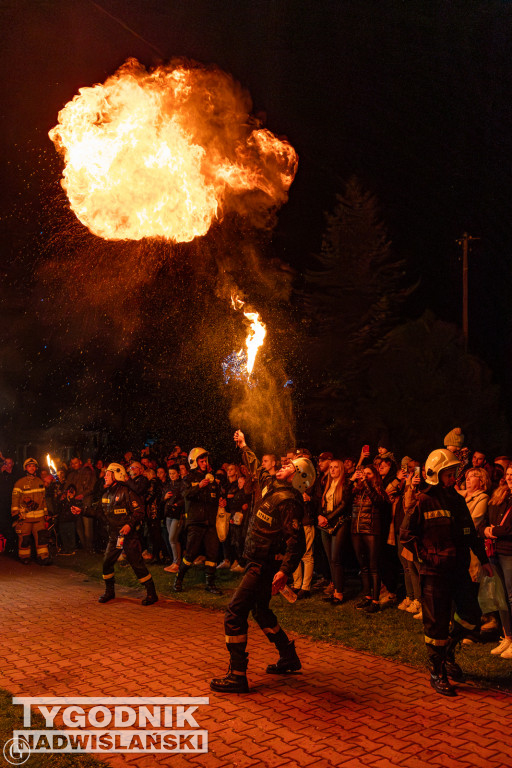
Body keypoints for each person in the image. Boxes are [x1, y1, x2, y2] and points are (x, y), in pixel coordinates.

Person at [210, 430, 315, 694]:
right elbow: (258, 467)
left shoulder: (289, 502)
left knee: (235, 613)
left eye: (289, 465)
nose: (282, 465)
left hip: (264, 566)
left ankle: (237, 675)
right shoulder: (273, 485)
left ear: (298, 477)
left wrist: (283, 572)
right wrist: (245, 446)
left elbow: (296, 543)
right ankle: (289, 657)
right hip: (256, 560)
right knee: (261, 611)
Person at [400, 448, 492, 696]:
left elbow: (470, 533)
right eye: (449, 474)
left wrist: (483, 560)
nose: (454, 478)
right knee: (436, 625)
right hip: (434, 573)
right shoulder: (422, 500)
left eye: (454, 473)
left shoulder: (457, 500)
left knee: (472, 615)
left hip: (458, 569)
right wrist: (425, 557)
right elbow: (406, 536)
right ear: (435, 474)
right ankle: (437, 671)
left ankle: (448, 650)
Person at [96, 463, 158, 605]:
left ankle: (152, 594)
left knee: (137, 564)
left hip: (129, 537)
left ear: (116, 475)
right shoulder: (107, 493)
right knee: (107, 563)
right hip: (114, 537)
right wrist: (82, 511)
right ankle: (109, 592)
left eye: (107, 474)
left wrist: (129, 525)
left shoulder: (127, 492)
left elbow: (139, 511)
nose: (104, 476)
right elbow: (97, 510)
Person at [174, 448, 224, 595]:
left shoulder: (212, 479)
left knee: (212, 554)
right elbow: (185, 494)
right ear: (194, 462)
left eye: (205, 460)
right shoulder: (188, 479)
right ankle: (178, 579)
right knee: (190, 554)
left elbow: (216, 496)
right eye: (201, 461)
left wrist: (221, 501)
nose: (204, 463)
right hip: (195, 523)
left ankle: (210, 584)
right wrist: (199, 487)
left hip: (210, 523)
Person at [480, 464, 512, 658]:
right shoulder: (500, 495)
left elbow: (508, 529)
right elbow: (484, 519)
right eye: (508, 474)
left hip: (509, 551)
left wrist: (493, 531)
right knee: (500, 596)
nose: (509, 478)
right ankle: (507, 636)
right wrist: (485, 529)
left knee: (511, 595)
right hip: (495, 550)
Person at [350, 463, 389, 613]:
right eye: (363, 474)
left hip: (372, 530)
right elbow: (346, 497)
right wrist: (352, 480)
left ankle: (375, 600)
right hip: (357, 529)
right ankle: (367, 597)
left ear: (375, 476)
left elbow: (377, 502)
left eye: (369, 474)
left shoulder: (379, 490)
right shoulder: (357, 490)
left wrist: (365, 482)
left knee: (373, 567)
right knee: (363, 566)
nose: (365, 476)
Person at [317, 459, 350, 605]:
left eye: (336, 467)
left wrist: (327, 518)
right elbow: (322, 503)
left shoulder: (345, 485)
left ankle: (339, 593)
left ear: (341, 469)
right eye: (331, 467)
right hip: (325, 523)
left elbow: (343, 505)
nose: (333, 470)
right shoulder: (328, 484)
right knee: (330, 558)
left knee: (336, 558)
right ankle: (335, 588)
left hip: (339, 523)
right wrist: (320, 515)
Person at [11, 458, 51, 565]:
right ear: (25, 468)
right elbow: (15, 499)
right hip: (25, 517)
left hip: (39, 518)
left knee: (42, 538)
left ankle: (43, 557)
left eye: (33, 466)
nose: (32, 468)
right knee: (25, 538)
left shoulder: (40, 482)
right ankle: (24, 557)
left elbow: (43, 500)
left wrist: (46, 514)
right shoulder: (20, 483)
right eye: (29, 466)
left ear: (36, 468)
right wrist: (15, 514)